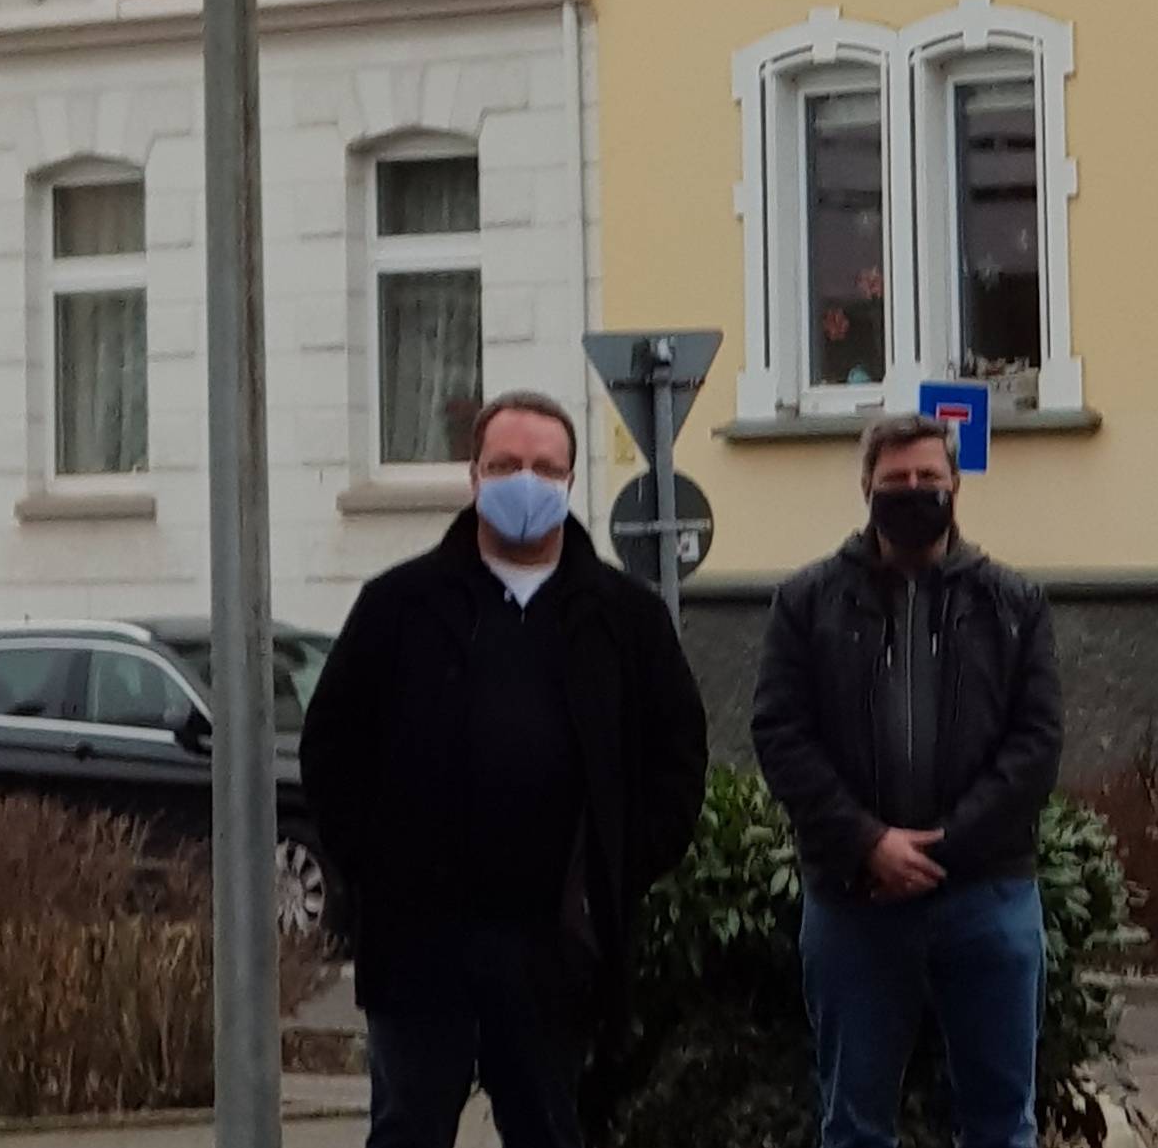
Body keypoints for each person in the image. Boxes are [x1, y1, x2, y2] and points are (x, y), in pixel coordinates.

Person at [302, 389, 710, 1148]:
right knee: (406, 1130)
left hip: (557, 950)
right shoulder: (400, 606)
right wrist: (377, 871)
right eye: (507, 463)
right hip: (420, 947)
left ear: (569, 482)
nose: (526, 480)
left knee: (551, 1132)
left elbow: (677, 763)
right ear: (474, 476)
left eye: (545, 466)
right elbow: (331, 751)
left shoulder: (625, 619)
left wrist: (612, 874)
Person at [751, 414, 1064, 1148]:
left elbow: (1037, 744)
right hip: (854, 900)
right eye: (896, 481)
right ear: (866, 488)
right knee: (854, 1122)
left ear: (956, 484)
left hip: (989, 894)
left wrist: (941, 848)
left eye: (929, 478)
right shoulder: (806, 603)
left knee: (1001, 1121)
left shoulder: (1014, 604)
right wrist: (867, 843)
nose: (914, 492)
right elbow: (780, 734)